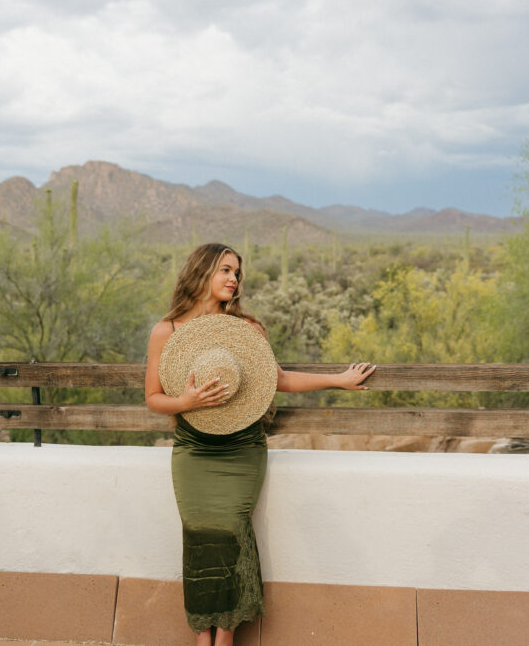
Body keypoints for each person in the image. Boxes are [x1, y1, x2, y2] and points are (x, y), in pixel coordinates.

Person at [144, 243, 375, 646]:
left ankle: (226, 636)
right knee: (199, 538)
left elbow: (279, 379)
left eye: (237, 272)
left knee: (233, 532)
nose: (234, 279)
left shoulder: (248, 329)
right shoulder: (167, 331)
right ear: (200, 273)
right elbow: (152, 398)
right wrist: (186, 402)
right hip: (193, 452)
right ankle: (203, 638)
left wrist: (339, 379)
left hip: (242, 451)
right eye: (225, 270)